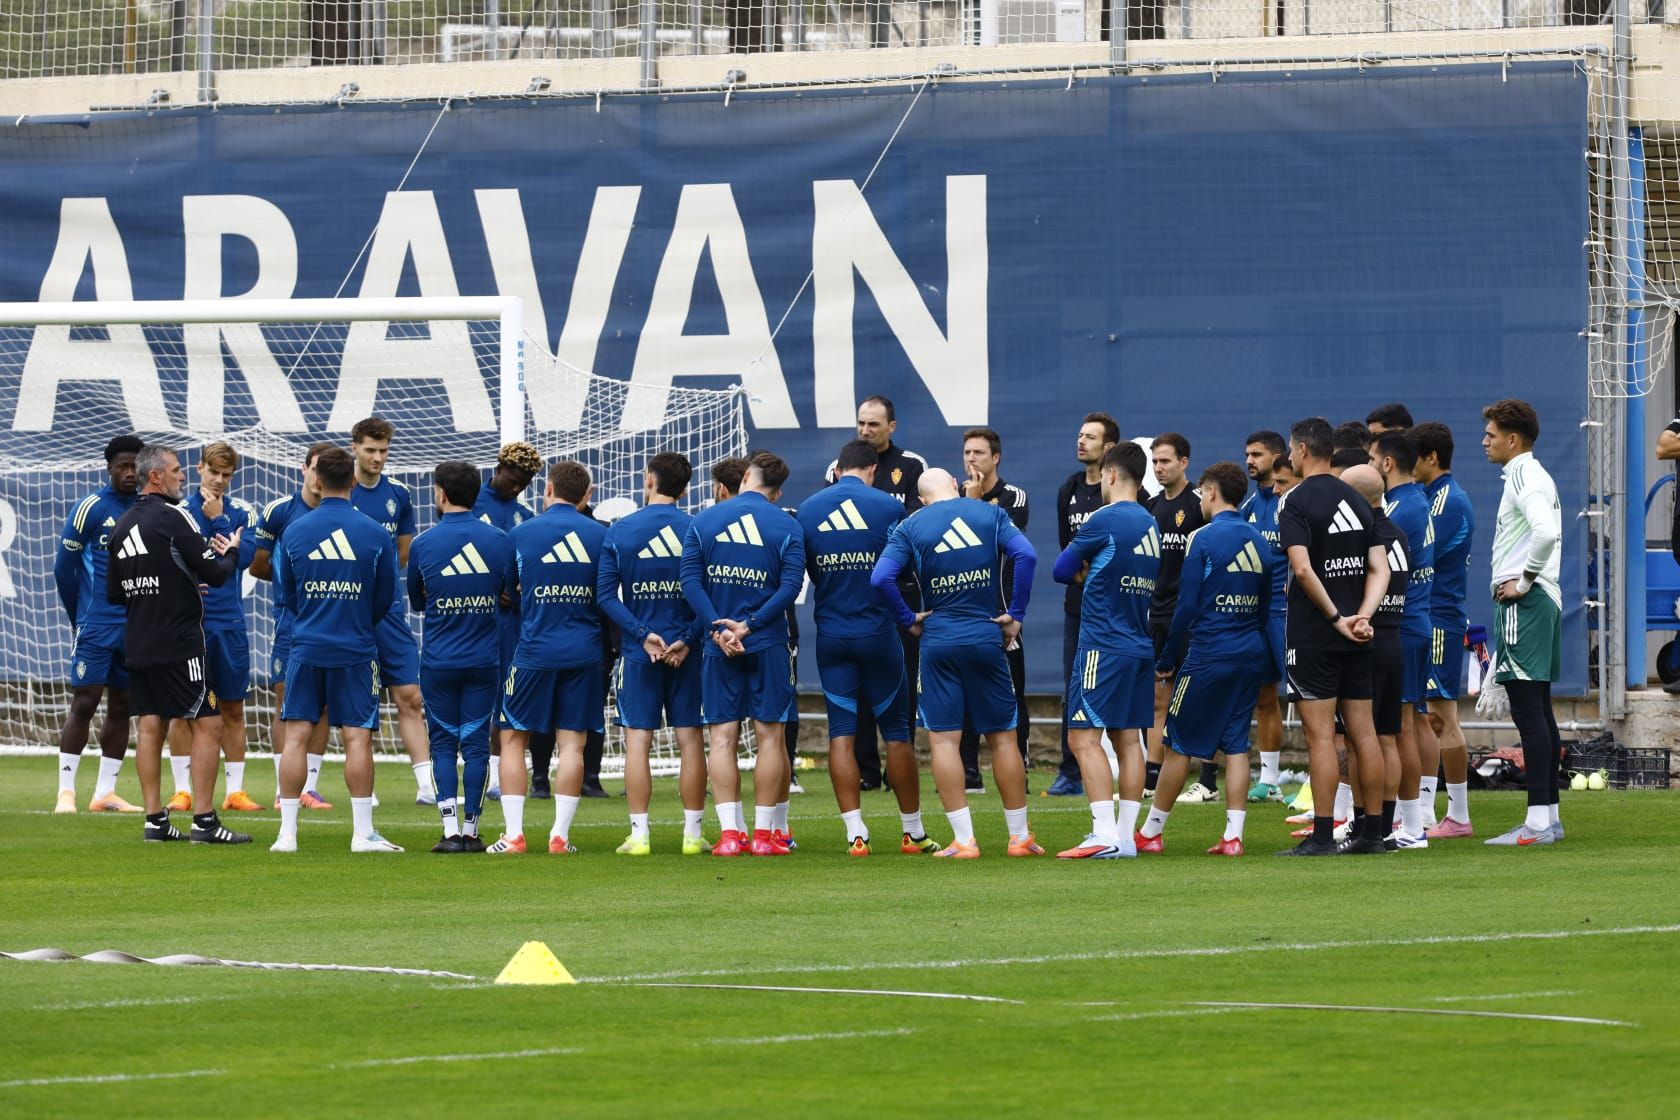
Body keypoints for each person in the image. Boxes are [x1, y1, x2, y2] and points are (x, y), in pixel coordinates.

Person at [871, 468, 1040, 858]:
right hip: (986, 635)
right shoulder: (989, 513)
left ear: (922, 499)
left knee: (944, 740)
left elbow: (880, 579)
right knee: (1003, 738)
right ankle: (1019, 838)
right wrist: (1016, 613)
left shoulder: (912, 525)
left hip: (939, 640)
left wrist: (907, 618)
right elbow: (1027, 555)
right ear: (954, 486)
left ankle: (964, 841)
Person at [105, 444, 250, 845]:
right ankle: (204, 822)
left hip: (139, 640)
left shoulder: (121, 526)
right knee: (209, 722)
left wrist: (173, 582)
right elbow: (216, 574)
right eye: (175, 470)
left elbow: (115, 593)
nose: (182, 476)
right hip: (180, 640)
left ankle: (155, 820)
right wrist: (232, 551)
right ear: (156, 477)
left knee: (150, 725)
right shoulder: (175, 517)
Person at [798, 440, 937, 855]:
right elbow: (904, 570)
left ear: (838, 470)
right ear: (872, 470)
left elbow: (805, 572)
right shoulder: (888, 507)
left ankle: (855, 833)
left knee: (841, 733)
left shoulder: (809, 509)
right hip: (878, 633)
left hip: (832, 635)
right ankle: (912, 832)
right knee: (896, 734)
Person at [271, 446, 401, 853]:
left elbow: (286, 594)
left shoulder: (294, 531)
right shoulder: (375, 533)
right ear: (353, 482)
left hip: (306, 646)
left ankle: (287, 835)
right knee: (357, 738)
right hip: (356, 648)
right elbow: (385, 598)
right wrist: (355, 617)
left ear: (317, 480)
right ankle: (362, 834)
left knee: (295, 737)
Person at [1135, 463, 1269, 857]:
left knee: (1177, 743)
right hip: (1249, 651)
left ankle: (1151, 832)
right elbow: (1265, 607)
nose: (1199, 501)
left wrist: (1166, 657)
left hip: (1209, 653)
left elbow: (1186, 606)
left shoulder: (1202, 537)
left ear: (1211, 491)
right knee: (1236, 745)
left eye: (1202, 493)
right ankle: (1233, 837)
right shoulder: (1260, 539)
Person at [1277, 417, 1390, 857]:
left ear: (1303, 450)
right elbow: (1380, 568)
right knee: (1365, 733)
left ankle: (1323, 835)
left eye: (1291, 449)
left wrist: (1336, 617)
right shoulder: (1359, 499)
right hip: (1358, 634)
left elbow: (1302, 569)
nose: (1289, 457)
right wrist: (1363, 616)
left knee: (1321, 736)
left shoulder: (1294, 500)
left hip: (1315, 634)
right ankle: (1372, 833)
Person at [682, 454, 805, 857]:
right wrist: (749, 626)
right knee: (770, 737)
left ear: (746, 476)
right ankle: (765, 837)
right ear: (778, 492)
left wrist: (719, 629)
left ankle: (731, 836)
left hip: (718, 644)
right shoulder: (788, 525)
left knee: (721, 738)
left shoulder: (705, 520)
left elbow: (690, 582)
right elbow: (790, 588)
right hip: (768, 641)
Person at [489, 461, 610, 855]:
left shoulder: (520, 533)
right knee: (573, 744)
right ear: (586, 496)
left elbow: (509, 589)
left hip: (534, 650)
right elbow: (607, 595)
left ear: (548, 489)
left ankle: (514, 835)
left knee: (512, 739)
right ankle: (560, 836)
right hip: (585, 651)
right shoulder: (601, 535)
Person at [596, 452, 710, 856]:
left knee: (638, 742)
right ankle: (692, 836)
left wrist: (644, 635)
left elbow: (606, 597)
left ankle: (640, 836)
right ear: (685, 489)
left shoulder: (621, 530)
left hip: (638, 652)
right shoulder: (697, 528)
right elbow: (708, 595)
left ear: (649, 479)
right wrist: (688, 639)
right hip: (687, 653)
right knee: (691, 740)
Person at [1051, 442, 1158, 859]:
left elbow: (1061, 569)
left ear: (1110, 475)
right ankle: (1126, 838)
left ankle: (1103, 834)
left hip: (1103, 643)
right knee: (1129, 740)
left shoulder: (1105, 518)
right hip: (1139, 643)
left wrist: (1084, 571)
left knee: (1082, 737)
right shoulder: (1150, 522)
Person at [408, 460, 511, 853]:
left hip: (439, 660)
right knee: (477, 746)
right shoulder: (498, 540)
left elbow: (417, 601)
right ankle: (471, 831)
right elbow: (508, 591)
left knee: (443, 745)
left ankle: (450, 831)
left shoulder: (423, 544)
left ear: (441, 493)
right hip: (484, 659)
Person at [826, 396, 928, 790]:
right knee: (859, 688)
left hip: (900, 592)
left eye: (873, 424)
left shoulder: (912, 465)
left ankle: (898, 769)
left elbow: (916, 526)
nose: (865, 430)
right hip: (854, 594)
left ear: (892, 427)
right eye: (861, 423)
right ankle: (866, 770)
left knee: (901, 682)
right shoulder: (837, 468)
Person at [1481, 399, 1565, 847]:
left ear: (1513, 440)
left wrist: (1524, 580)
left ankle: (1535, 825)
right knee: (1541, 711)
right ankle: (1549, 817)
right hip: (1541, 602)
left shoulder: (1523, 475)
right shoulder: (1535, 474)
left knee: (1528, 712)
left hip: (1526, 602)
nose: (1484, 441)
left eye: (1491, 434)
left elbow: (1545, 532)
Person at [164, 441, 262, 815]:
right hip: (188, 625)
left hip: (229, 624)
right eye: (213, 472)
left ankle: (235, 791)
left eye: (226, 474)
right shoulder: (178, 512)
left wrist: (220, 519)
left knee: (233, 707)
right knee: (182, 710)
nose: (219, 480)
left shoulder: (241, 512)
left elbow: (245, 558)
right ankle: (181, 790)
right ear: (200, 467)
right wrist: (221, 545)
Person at [51, 434, 142, 814]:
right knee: (85, 702)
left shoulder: (149, 508)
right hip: (97, 625)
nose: (130, 473)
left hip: (135, 627)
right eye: (123, 466)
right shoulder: (90, 508)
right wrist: (80, 619)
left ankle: (105, 792)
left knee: (123, 705)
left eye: (135, 466)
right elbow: (64, 570)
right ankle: (66, 793)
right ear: (109, 468)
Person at [346, 415, 434, 805]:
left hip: (389, 612)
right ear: (354, 448)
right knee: (359, 701)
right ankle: (365, 788)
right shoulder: (340, 490)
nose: (378, 458)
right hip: (349, 611)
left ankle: (427, 785)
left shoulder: (398, 493)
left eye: (383, 450)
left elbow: (403, 552)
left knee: (410, 695)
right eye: (370, 450)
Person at [249, 441, 335, 811]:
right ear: (304, 469)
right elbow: (258, 564)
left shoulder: (340, 513)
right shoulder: (279, 512)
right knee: (286, 700)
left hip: (331, 619)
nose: (319, 478)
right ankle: (282, 787)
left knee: (324, 702)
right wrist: (294, 585)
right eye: (315, 469)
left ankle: (309, 788)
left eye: (325, 472)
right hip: (291, 620)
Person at [1412, 422, 1478, 838]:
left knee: (1440, 718)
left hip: (1439, 617)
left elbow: (1421, 553)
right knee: (1426, 716)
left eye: (1413, 458)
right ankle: (1425, 810)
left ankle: (1457, 816)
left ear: (1431, 458)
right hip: (1430, 615)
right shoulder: (1433, 496)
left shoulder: (1448, 501)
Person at [958, 427, 1031, 792]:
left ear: (996, 457)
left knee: (1012, 694)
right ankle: (968, 772)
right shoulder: (953, 496)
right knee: (963, 696)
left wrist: (973, 504)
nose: (971, 459)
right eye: (967, 452)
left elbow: (997, 539)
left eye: (979, 453)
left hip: (1002, 612)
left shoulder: (1013, 496)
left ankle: (1020, 767)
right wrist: (967, 500)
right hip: (963, 612)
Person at [1344, 464, 1412, 850]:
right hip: (1393, 639)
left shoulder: (1361, 537)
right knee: (1387, 737)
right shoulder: (1398, 533)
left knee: (1361, 739)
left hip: (1364, 640)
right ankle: (1384, 826)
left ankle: (1363, 824)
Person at [1372, 430, 1435, 848]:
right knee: (1402, 727)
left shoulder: (1400, 508)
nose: (1369, 465)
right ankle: (1404, 821)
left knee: (1401, 730)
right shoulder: (1415, 501)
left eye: (1371, 458)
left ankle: (1412, 826)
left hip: (1405, 625)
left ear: (1387, 463)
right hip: (1413, 623)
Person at [1051, 412, 1119, 798]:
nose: (1081, 441)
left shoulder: (1122, 491)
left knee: (1119, 687)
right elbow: (1068, 548)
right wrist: (1082, 573)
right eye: (1079, 435)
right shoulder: (1069, 488)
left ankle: (1135, 766)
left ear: (1109, 447)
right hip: (1077, 606)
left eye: (1090, 437)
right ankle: (1069, 771)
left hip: (1115, 608)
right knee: (1071, 686)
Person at [472, 441, 542, 801]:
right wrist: (490, 585)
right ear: (498, 469)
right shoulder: (470, 503)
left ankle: (500, 775)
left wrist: (518, 585)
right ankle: (471, 770)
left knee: (507, 696)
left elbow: (529, 564)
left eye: (523, 484)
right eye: (513, 480)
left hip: (511, 621)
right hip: (472, 616)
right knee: (475, 697)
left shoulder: (526, 515)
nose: (516, 489)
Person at [1145, 432, 1213, 802]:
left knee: (1198, 699)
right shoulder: (1151, 506)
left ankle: (1208, 779)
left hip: (1192, 616)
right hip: (1157, 615)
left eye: (1166, 461)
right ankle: (1151, 778)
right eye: (1155, 461)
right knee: (1158, 701)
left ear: (1184, 462)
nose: (1159, 468)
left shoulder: (1200, 504)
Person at [1241, 431, 1289, 802]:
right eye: (1247, 454)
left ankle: (1324, 784)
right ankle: (1270, 779)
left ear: (1278, 456)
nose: (1249, 461)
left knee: (1314, 702)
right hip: (1258, 616)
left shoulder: (1294, 500)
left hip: (1290, 615)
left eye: (1257, 454)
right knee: (1263, 696)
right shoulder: (1249, 506)